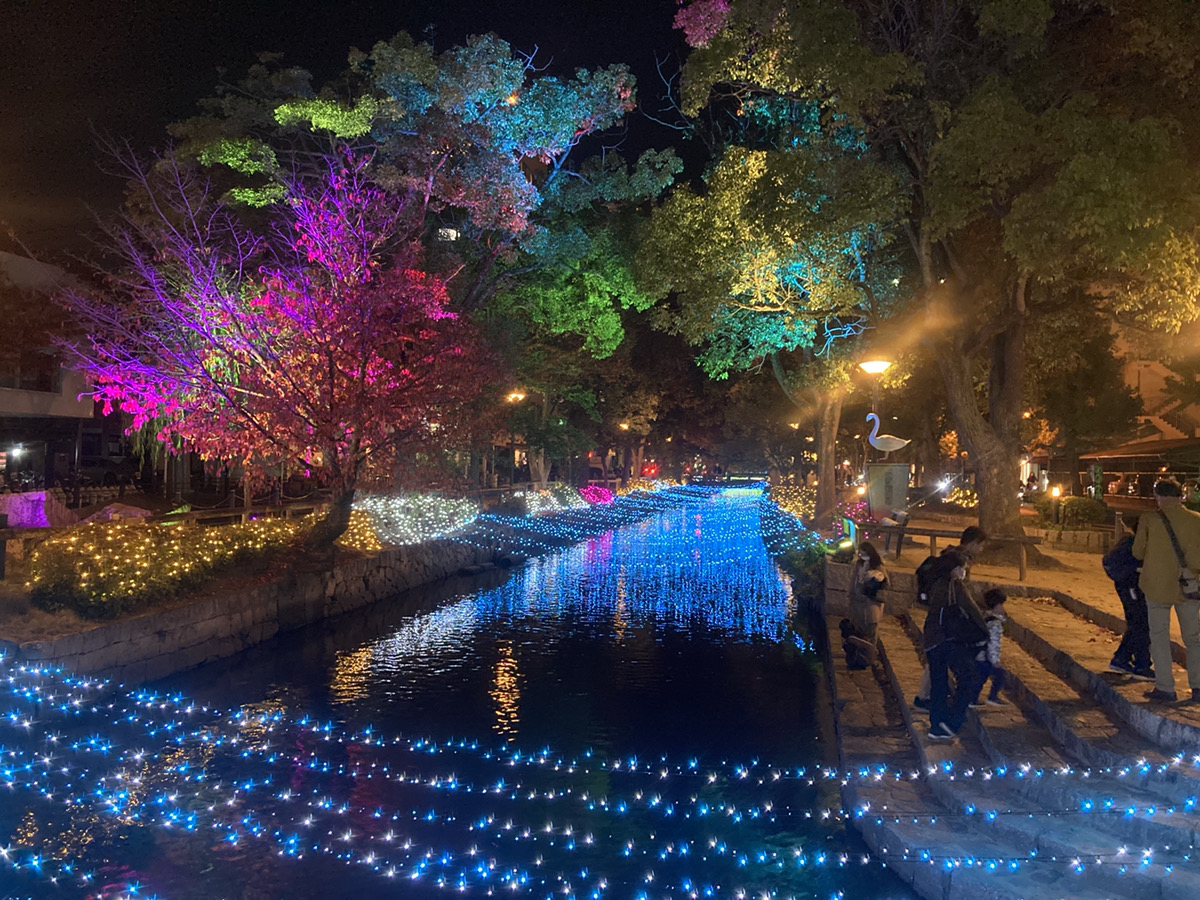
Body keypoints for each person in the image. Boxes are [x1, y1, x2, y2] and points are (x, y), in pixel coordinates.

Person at [1133, 478, 1200, 703]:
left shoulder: (1150, 519)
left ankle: (1165, 688)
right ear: (1180, 495)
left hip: (1157, 586)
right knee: (1193, 638)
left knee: (1159, 636)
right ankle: (1198, 687)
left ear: (1158, 496)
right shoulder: (1196, 520)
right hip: (1189, 586)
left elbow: (1137, 552)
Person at [913, 526, 987, 709]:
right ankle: (927, 698)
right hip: (947, 619)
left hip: (940, 617)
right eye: (981, 545)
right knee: (942, 658)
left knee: (938, 658)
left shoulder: (950, 556)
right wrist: (980, 621)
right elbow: (962, 595)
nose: (981, 550)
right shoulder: (958, 561)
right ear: (972, 543)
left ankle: (930, 696)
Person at [923, 552, 988, 740]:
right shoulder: (955, 586)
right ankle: (953, 721)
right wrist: (984, 632)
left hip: (932, 640)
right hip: (948, 639)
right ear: (955, 569)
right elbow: (971, 609)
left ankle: (937, 725)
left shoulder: (935, 583)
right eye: (963, 568)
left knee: (939, 683)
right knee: (970, 677)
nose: (964, 572)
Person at [1103, 514, 1153, 681]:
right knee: (1140, 622)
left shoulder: (1129, 542)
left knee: (1138, 622)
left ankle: (1123, 659)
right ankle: (1140, 664)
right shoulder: (1135, 545)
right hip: (1131, 584)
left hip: (1128, 584)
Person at [845, 542, 889, 665]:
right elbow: (854, 579)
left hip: (871, 602)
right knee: (859, 628)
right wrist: (850, 594)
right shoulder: (859, 564)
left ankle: (870, 655)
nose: (861, 554)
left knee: (872, 627)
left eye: (863, 552)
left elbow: (885, 584)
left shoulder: (878, 566)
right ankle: (861, 654)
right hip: (858, 601)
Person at [972, 589, 1008, 707]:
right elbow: (994, 643)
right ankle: (992, 697)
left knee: (980, 678)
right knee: (1000, 673)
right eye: (1002, 605)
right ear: (997, 605)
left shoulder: (984, 617)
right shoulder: (995, 624)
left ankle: (973, 698)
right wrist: (995, 661)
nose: (1003, 608)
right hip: (985, 656)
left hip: (978, 654)